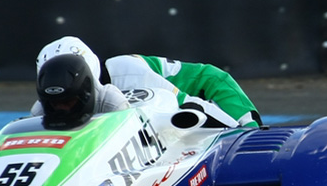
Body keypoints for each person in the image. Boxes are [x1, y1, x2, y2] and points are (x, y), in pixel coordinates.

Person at [32, 36, 261, 129]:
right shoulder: (44, 105)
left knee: (246, 132)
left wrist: (237, 131)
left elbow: (190, 105)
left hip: (206, 86)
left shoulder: (132, 76)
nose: (62, 108)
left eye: (69, 101)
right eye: (56, 102)